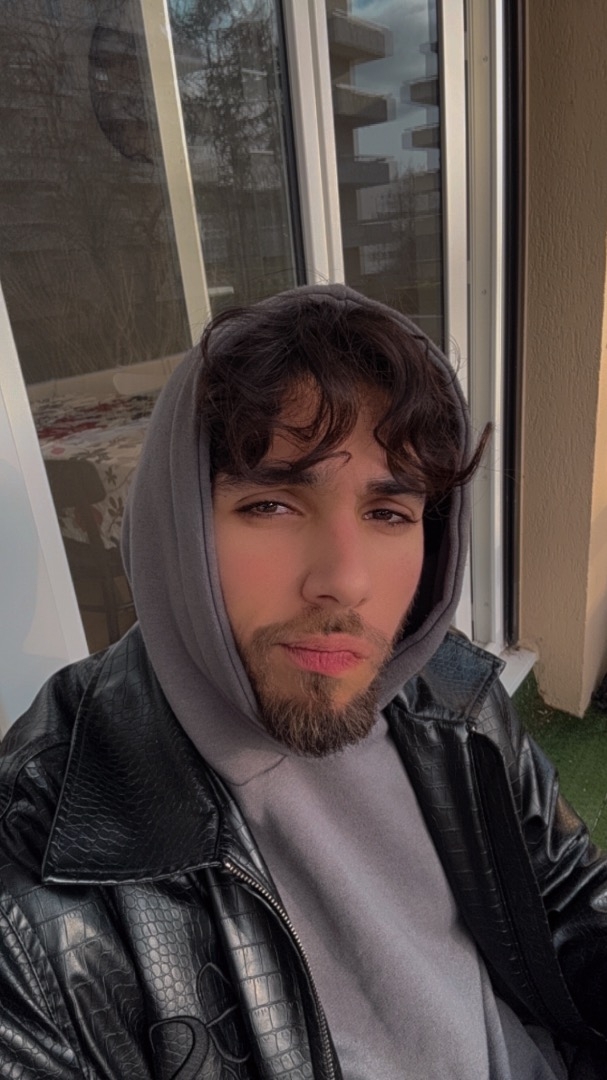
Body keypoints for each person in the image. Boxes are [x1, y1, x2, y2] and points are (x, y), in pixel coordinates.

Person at [0, 285, 605, 1080]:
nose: (345, 582)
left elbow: (567, 893)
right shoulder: (35, 876)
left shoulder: (446, 690)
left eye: (389, 514)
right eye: (272, 504)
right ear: (175, 526)